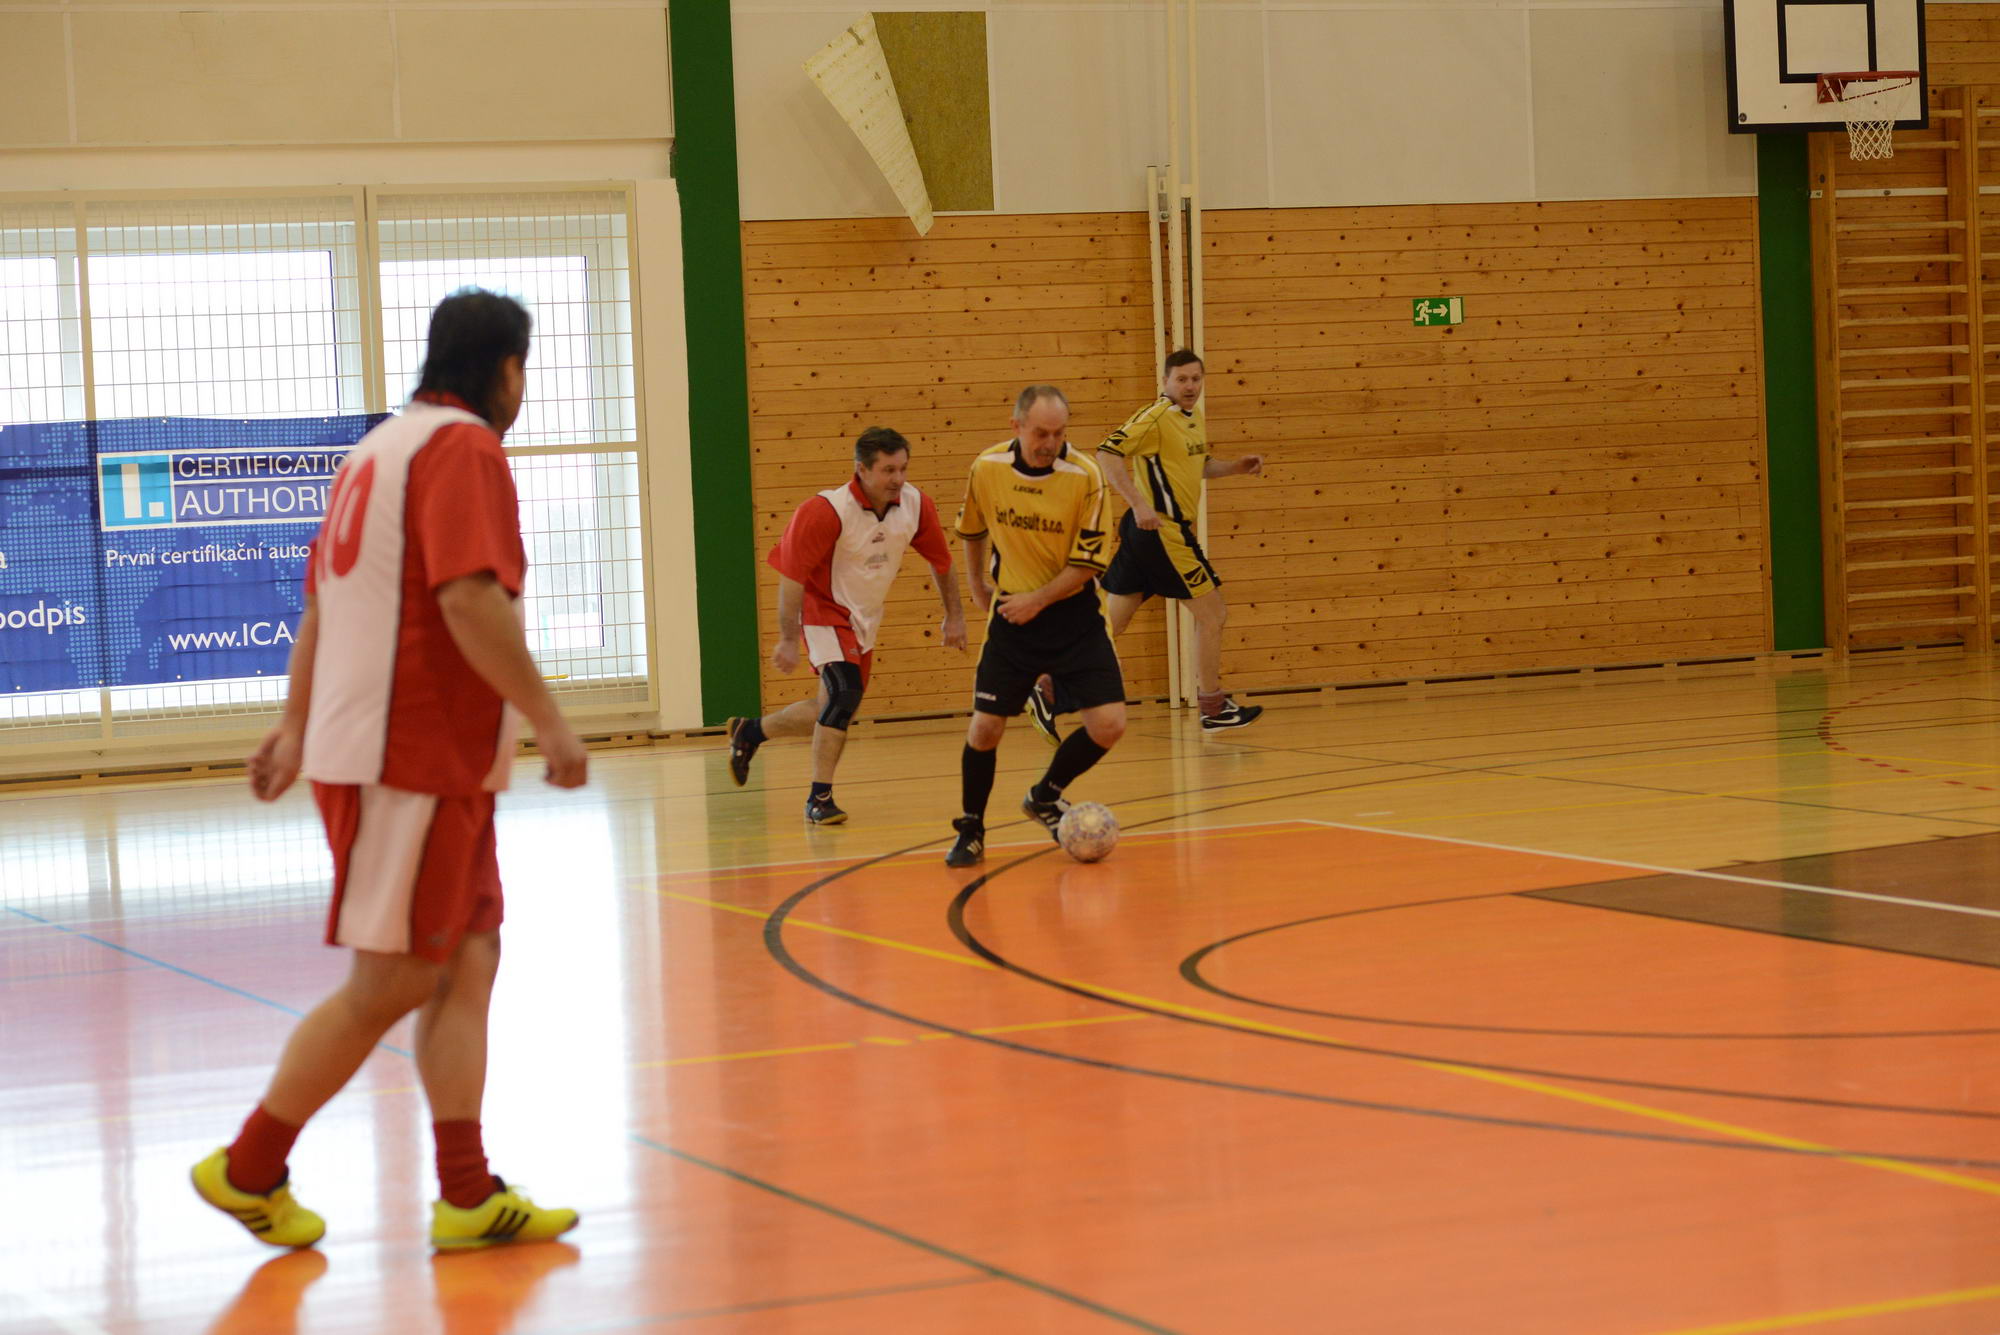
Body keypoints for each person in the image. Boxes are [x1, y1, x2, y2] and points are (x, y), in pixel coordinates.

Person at [191, 289, 586, 1252]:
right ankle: (247, 1166)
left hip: (424, 758)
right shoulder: (464, 449)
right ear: (507, 369)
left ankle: (466, 1193)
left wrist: (295, 725)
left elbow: (323, 608)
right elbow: (467, 600)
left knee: (469, 958)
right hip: (407, 754)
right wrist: (550, 720)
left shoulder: (376, 450)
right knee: (398, 976)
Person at [726, 427, 965, 823]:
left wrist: (953, 615)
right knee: (844, 694)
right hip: (823, 609)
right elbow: (792, 577)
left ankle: (751, 732)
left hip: (865, 618)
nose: (898, 479)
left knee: (833, 708)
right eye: (888, 470)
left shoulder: (916, 505)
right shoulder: (825, 511)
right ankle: (819, 798)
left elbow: (942, 562)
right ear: (862, 469)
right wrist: (788, 639)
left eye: (903, 468)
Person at [1028, 348, 1264, 739]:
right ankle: (1214, 708)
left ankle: (1049, 691)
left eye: (1196, 379)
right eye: (1182, 379)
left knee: (1109, 625)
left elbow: (1200, 465)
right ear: (1165, 381)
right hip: (1163, 533)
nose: (1190, 386)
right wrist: (1138, 503)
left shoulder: (1192, 418)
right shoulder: (1155, 417)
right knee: (1213, 615)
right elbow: (1107, 452)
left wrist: (1235, 467)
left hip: (1147, 537)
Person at [943, 386, 1127, 868]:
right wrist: (977, 584)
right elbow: (972, 528)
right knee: (985, 728)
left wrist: (1038, 600)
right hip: (1012, 618)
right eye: (1041, 433)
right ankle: (971, 829)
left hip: (1074, 617)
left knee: (1109, 725)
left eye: (1059, 433)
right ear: (1017, 426)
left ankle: (1045, 795)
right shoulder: (987, 468)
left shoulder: (1085, 476)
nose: (1050, 443)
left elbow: (1089, 562)